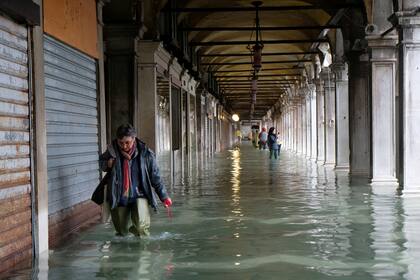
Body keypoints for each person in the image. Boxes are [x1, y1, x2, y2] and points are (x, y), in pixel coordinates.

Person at [99, 124, 172, 237]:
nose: (124, 146)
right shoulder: (112, 151)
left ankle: (142, 251)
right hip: (118, 195)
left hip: (140, 194)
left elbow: (155, 177)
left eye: (127, 142)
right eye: (121, 143)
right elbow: (101, 163)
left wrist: (164, 196)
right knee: (121, 231)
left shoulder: (146, 154)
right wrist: (107, 164)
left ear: (134, 139)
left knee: (141, 228)